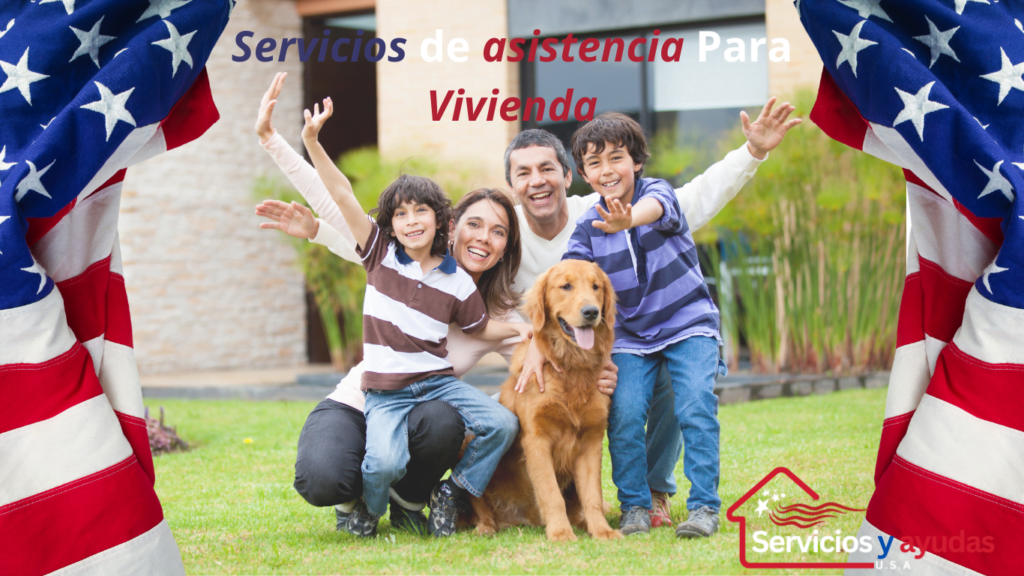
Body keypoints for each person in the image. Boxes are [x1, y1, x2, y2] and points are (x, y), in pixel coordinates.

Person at [254, 72, 619, 538]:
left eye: (499, 232)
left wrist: (593, 367)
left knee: (451, 421)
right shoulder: (400, 257)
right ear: (451, 226)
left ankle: (412, 497)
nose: (483, 238)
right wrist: (274, 141)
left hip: (428, 407)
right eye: (474, 225)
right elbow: (333, 202)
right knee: (324, 477)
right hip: (362, 398)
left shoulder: (498, 310)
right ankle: (357, 500)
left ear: (507, 246)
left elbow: (540, 367)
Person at [299, 94, 534, 538]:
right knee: (383, 461)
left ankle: (455, 490)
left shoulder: (458, 281)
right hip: (385, 390)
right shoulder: (379, 256)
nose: (411, 220)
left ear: (442, 220)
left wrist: (524, 329)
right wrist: (312, 142)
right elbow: (342, 195)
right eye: (401, 214)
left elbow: (480, 328)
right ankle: (367, 510)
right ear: (389, 225)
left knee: (503, 423)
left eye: (420, 211)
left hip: (437, 384)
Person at [562, 107, 800, 539]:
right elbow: (568, 278)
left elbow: (654, 208)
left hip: (688, 322)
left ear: (636, 161)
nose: (607, 169)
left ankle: (705, 506)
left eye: (616, 157)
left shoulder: (658, 193)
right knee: (626, 414)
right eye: (594, 163)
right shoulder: (587, 226)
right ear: (583, 174)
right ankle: (634, 505)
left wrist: (627, 219)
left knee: (694, 405)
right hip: (631, 336)